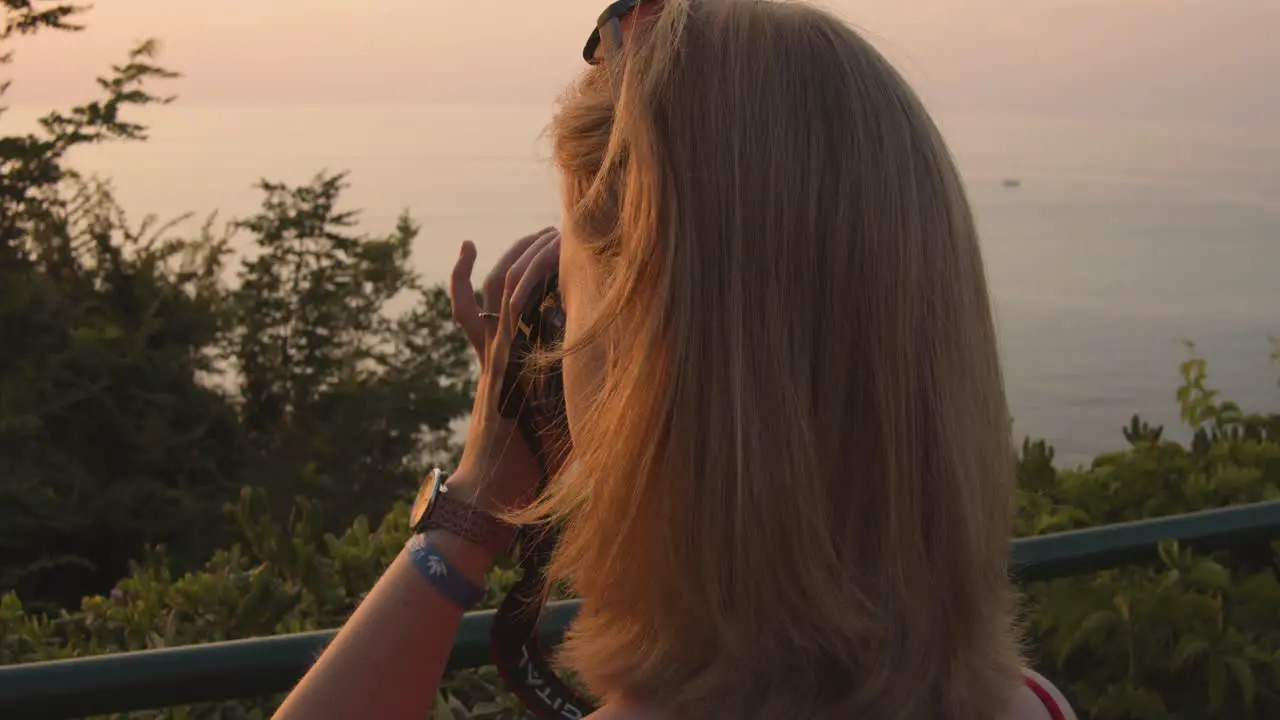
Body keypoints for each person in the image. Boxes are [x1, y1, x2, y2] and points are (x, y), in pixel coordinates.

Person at [274, 1, 1078, 718]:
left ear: (652, 368)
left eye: (569, 310)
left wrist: (477, 500)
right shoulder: (1035, 704)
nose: (556, 353)